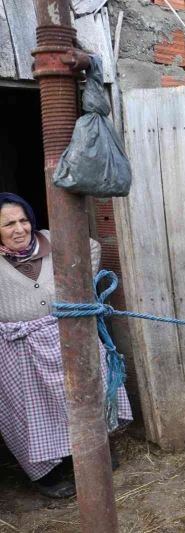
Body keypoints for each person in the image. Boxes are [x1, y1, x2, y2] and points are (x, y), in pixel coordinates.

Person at [0, 192, 133, 498]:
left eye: (23, 221)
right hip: (18, 345)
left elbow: (92, 247)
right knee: (31, 410)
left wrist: (78, 286)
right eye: (8, 224)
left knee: (85, 393)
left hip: (66, 333)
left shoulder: (51, 241)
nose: (19, 229)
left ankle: (92, 452)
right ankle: (48, 473)